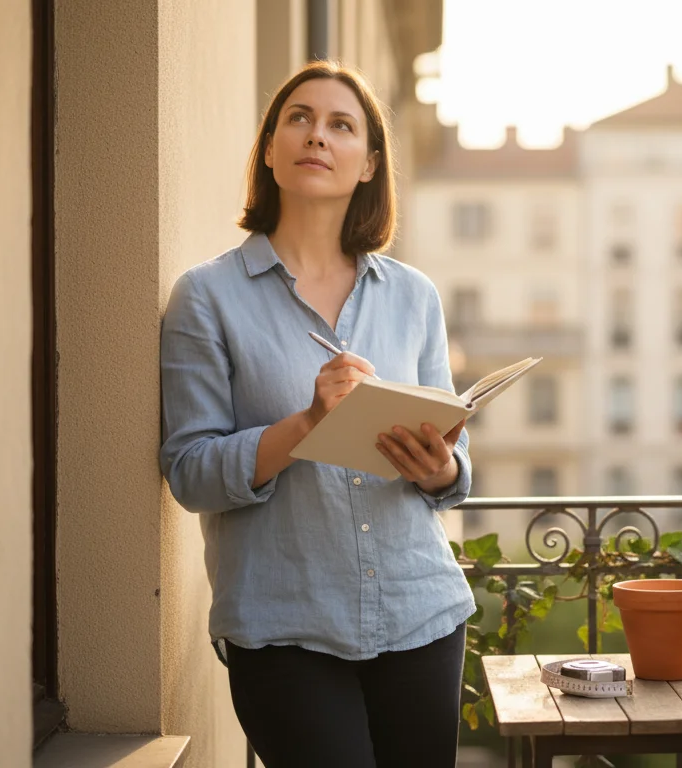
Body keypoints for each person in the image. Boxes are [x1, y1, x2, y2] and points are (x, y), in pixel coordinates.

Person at [158, 60, 474, 767]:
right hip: (282, 627)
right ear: (269, 148)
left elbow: (454, 470)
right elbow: (190, 473)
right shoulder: (206, 298)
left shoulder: (414, 297)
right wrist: (308, 423)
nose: (317, 136)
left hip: (421, 610)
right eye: (298, 118)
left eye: (341, 125)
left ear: (368, 164)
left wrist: (442, 467)